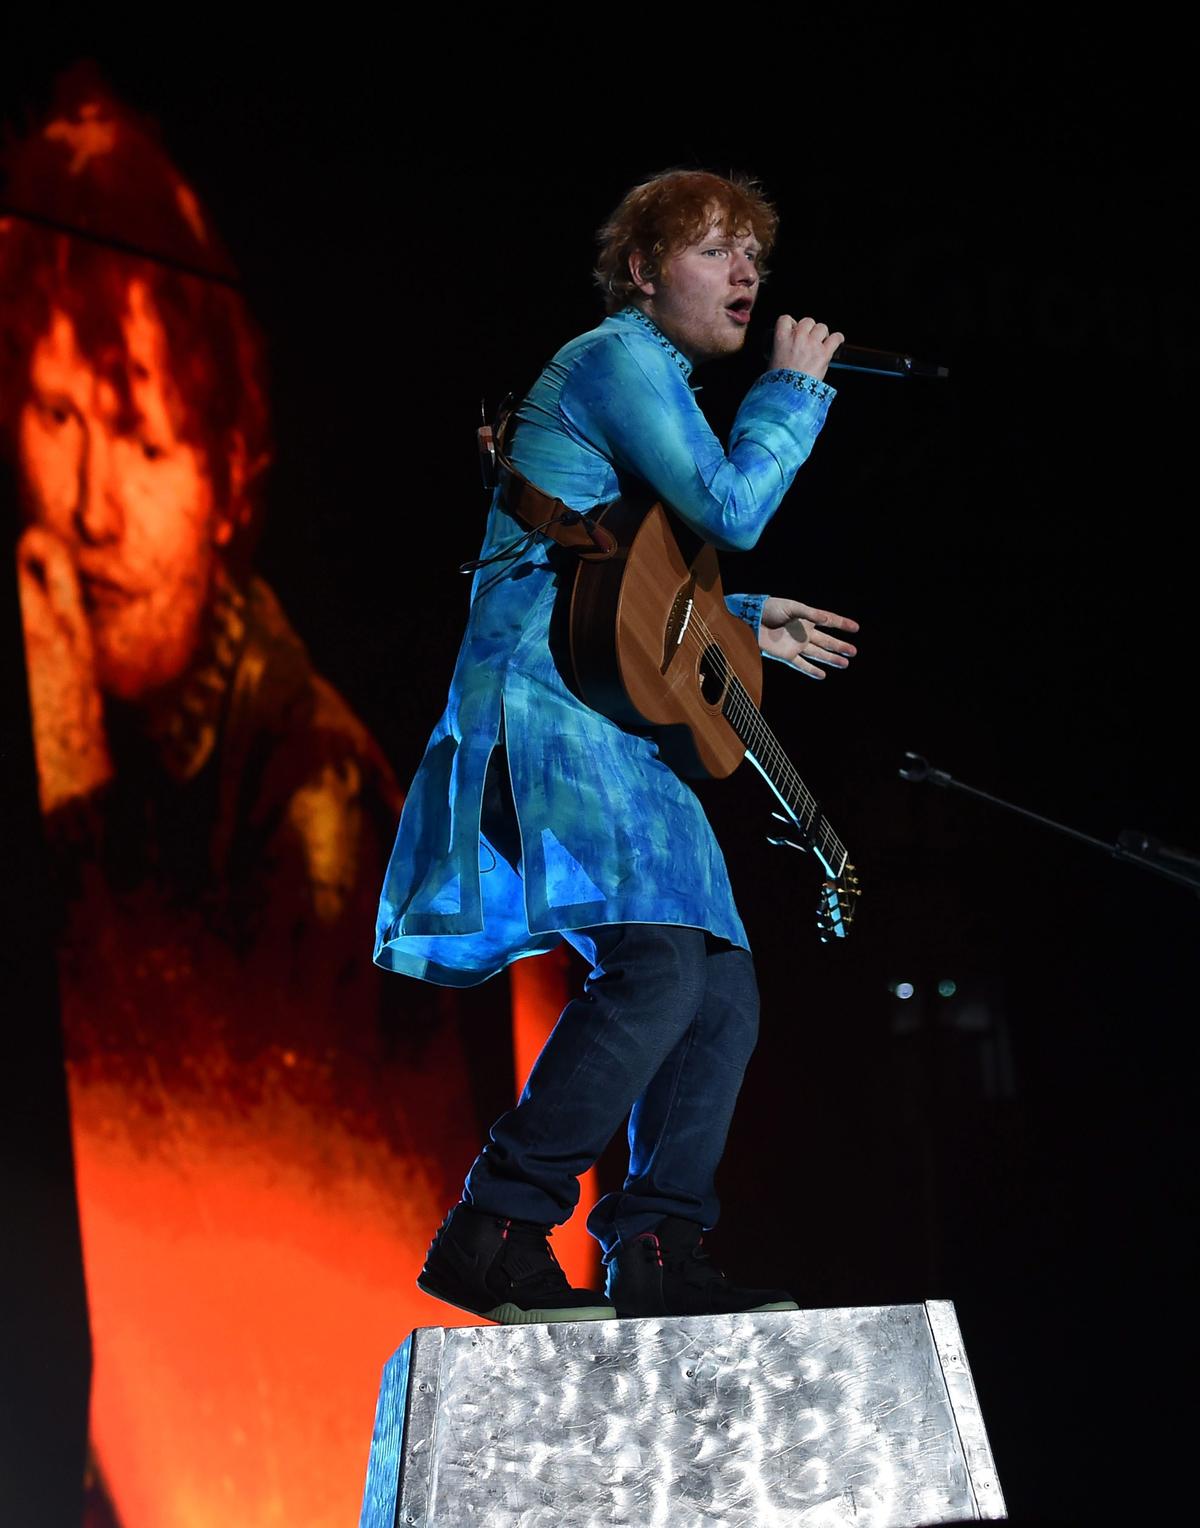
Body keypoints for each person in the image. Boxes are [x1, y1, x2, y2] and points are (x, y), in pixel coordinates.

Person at [3, 75, 480, 1525]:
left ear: (225, 473)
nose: (88, 503)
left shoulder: (317, 799)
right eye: (51, 413)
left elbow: (194, 1173)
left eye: (140, 441)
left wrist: (70, 797)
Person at [376, 169, 859, 1323]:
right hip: (539, 709)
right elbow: (732, 509)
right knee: (656, 967)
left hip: (613, 723)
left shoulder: (663, 393)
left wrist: (746, 618)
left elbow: (620, 578)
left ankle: (657, 1250)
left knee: (722, 988)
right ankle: (498, 1223)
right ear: (642, 272)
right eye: (714, 250)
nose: (746, 274)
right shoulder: (615, 359)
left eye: (755, 254)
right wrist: (793, 395)